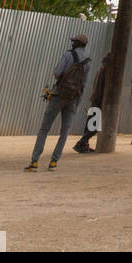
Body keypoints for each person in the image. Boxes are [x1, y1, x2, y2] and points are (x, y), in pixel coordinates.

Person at [26, 35, 91, 171]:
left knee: (44, 129)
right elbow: (83, 84)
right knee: (65, 131)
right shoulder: (87, 61)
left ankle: (35, 162)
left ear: (78, 43)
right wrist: (77, 102)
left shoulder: (68, 55)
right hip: (73, 99)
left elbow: (57, 73)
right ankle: (54, 162)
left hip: (58, 95)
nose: (72, 43)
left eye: (74, 42)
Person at [73, 51, 111, 154]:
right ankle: (80, 143)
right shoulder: (106, 71)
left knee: (90, 124)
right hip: (98, 100)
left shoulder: (100, 70)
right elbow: (103, 88)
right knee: (94, 126)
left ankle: (84, 145)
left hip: (94, 99)